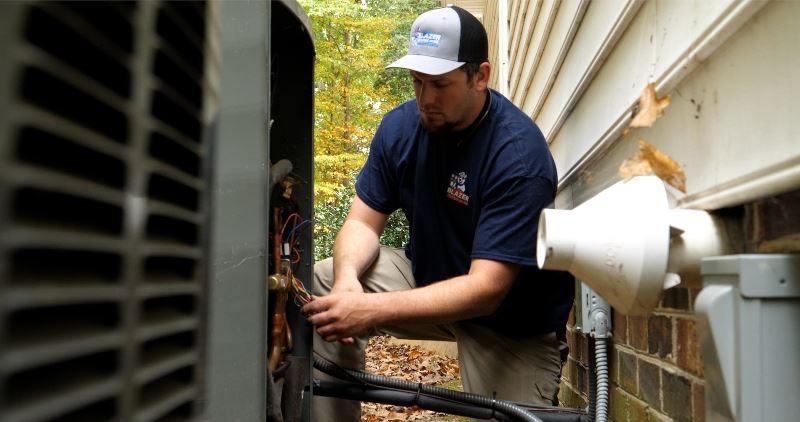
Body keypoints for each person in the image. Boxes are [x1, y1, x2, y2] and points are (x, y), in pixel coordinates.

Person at [302, 5, 574, 421]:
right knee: (327, 281)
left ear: (480, 76)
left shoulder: (518, 156)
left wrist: (371, 311)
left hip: (509, 321)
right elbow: (360, 222)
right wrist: (347, 285)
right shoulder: (400, 130)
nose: (426, 98)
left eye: (440, 84)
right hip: (428, 277)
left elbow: (487, 289)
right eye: (417, 82)